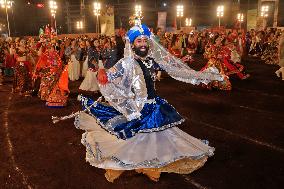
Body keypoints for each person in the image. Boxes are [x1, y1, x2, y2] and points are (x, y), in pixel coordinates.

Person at [54, 23, 223, 182]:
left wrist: (204, 75)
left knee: (157, 136)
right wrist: (102, 73)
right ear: (132, 44)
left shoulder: (152, 60)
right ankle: (143, 163)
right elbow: (110, 75)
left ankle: (151, 162)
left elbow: (175, 70)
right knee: (140, 138)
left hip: (154, 105)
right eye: (138, 41)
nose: (142, 44)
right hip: (137, 108)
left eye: (144, 40)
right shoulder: (126, 63)